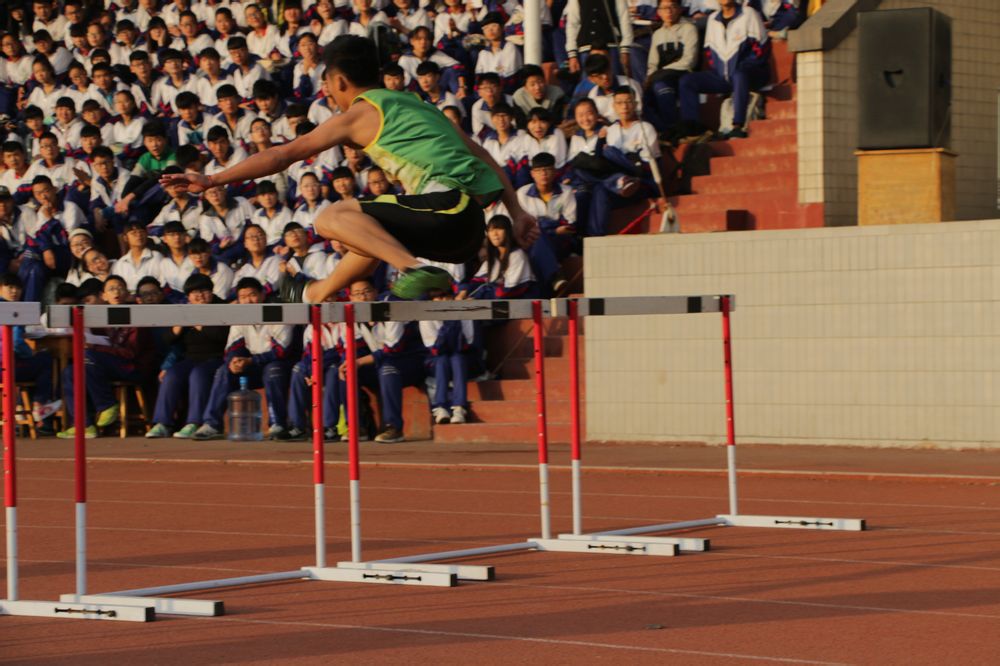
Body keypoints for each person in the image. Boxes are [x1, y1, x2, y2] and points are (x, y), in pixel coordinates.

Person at [160, 35, 538, 305]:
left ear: (338, 81)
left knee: (331, 218)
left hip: (446, 210)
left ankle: (412, 269)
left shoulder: (359, 114)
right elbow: (483, 155)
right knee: (369, 235)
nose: (327, 92)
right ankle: (315, 292)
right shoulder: (418, 104)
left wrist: (211, 179)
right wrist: (517, 212)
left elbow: (283, 155)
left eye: (327, 84)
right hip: (467, 229)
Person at [192, 277, 293, 440]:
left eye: (252, 295)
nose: (248, 301)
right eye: (243, 297)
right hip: (252, 365)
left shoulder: (277, 312)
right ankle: (212, 424)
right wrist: (234, 362)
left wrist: (251, 361)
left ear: (262, 295)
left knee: (273, 370)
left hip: (278, 364)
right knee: (224, 370)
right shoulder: (240, 316)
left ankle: (277, 424)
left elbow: (280, 351)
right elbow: (233, 347)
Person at [58, 275, 153, 438]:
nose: (116, 292)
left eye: (120, 288)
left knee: (88, 356)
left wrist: (95, 347)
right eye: (111, 289)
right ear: (103, 296)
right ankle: (84, 425)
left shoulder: (135, 315)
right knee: (70, 371)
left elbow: (130, 353)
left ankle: (106, 404)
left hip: (132, 367)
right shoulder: (101, 317)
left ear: (127, 293)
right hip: (104, 366)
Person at [146, 273, 229, 438]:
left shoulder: (222, 308)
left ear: (212, 291)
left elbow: (222, 337)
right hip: (190, 359)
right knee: (172, 375)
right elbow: (168, 340)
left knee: (198, 374)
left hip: (216, 358)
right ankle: (162, 423)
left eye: (204, 291)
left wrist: (198, 324)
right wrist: (178, 327)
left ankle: (194, 423)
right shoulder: (185, 310)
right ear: (188, 296)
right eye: (195, 292)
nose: (200, 295)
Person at [678, 0, 770, 139]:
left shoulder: (748, 14)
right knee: (687, 81)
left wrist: (743, 66)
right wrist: (720, 70)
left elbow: (762, 48)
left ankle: (738, 125)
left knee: (739, 75)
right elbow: (709, 51)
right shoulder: (713, 19)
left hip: (751, 74)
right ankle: (692, 129)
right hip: (724, 75)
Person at [0, 273, 61, 435]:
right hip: (6, 367)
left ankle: (22, 407)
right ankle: (39, 404)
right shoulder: (13, 310)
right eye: (10, 287)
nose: (14, 291)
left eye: (17, 288)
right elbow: (16, 343)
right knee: (44, 359)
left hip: (6, 366)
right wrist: (30, 354)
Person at [421, 289, 472, 425]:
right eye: (439, 298)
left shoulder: (463, 312)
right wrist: (451, 321)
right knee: (442, 361)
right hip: (434, 358)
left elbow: (467, 341)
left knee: (458, 360)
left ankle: (459, 407)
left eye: (446, 297)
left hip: (459, 353)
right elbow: (434, 347)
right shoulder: (426, 315)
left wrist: (454, 315)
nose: (443, 301)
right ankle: (441, 406)